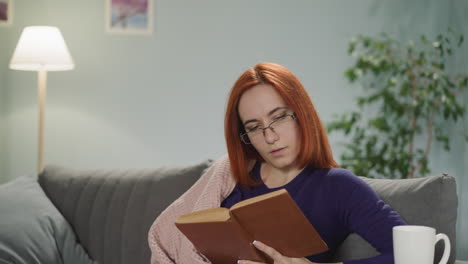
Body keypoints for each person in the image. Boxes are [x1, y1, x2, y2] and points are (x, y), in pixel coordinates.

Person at [148, 62, 406, 264]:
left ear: (301, 114)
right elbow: (171, 241)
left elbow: (414, 254)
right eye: (254, 127)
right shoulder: (231, 179)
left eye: (280, 117)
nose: (270, 137)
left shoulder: (338, 187)